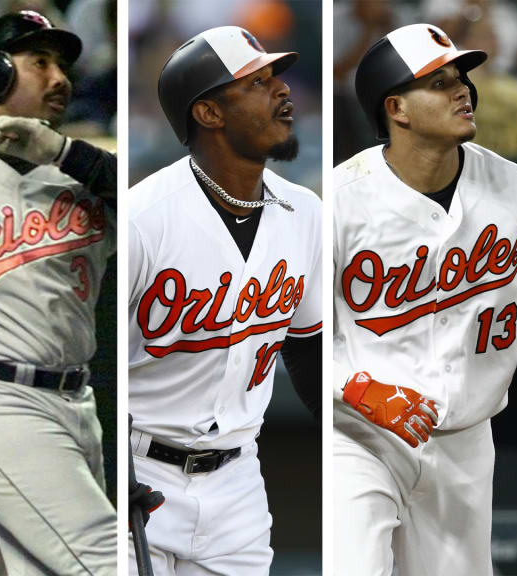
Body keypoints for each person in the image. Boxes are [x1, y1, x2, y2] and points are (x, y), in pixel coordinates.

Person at [0, 10, 117, 575]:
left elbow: (169, 219)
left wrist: (65, 154)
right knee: (109, 560)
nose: (60, 78)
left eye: (64, 65)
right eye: (40, 61)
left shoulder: (89, 169)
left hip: (78, 407)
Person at [331, 23, 517, 575]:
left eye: (460, 76)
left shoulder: (510, 190)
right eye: (438, 82)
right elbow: (293, 334)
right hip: (361, 433)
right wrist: (352, 385)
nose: (462, 89)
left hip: (467, 437)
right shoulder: (342, 203)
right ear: (397, 108)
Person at [128, 25, 322, 575]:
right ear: (209, 114)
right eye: (256, 82)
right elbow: (95, 367)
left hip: (238, 481)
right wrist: (111, 472)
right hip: (136, 469)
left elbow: (307, 348)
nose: (281, 90)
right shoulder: (144, 219)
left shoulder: (304, 211)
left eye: (276, 77)